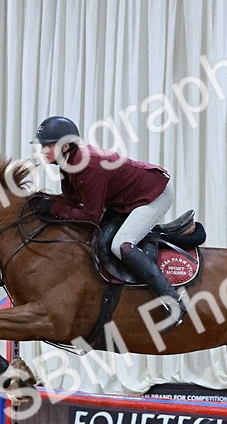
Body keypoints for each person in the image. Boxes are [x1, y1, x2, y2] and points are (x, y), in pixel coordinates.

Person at [30, 116, 185, 328]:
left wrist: (55, 208)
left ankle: (174, 302)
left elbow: (90, 217)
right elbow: (72, 200)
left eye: (47, 146)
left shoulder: (87, 165)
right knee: (101, 243)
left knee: (120, 245)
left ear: (65, 145)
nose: (42, 151)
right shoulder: (67, 162)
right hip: (125, 200)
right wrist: (44, 199)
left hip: (154, 194)